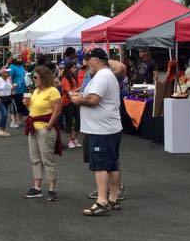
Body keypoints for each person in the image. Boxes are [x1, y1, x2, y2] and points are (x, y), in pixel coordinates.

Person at [71, 48, 123, 216]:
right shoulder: (107, 74)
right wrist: (81, 95)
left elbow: (93, 100)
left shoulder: (102, 76)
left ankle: (102, 201)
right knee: (112, 164)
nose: (86, 63)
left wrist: (78, 100)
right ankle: (113, 198)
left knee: (100, 165)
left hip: (101, 129)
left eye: (88, 59)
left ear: (96, 60)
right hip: (109, 127)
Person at [23, 66, 63, 201]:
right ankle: (37, 187)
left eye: (35, 77)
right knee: (35, 158)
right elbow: (33, 109)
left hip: (44, 128)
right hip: (33, 127)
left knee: (47, 160)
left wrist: (49, 125)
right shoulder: (35, 91)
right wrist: (27, 104)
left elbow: (57, 110)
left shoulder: (53, 91)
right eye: (32, 77)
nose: (33, 79)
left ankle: (52, 188)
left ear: (43, 77)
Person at [59, 62, 82, 148]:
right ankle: (70, 141)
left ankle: (74, 139)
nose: (75, 69)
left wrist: (77, 91)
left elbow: (72, 91)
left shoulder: (73, 78)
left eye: (75, 68)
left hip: (75, 101)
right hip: (67, 103)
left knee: (78, 121)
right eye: (73, 68)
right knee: (69, 122)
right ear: (69, 69)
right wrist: (78, 90)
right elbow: (69, 92)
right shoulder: (65, 79)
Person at [0, 67, 14, 136]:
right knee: (4, 114)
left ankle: (2, 129)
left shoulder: (8, 80)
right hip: (0, 99)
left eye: (8, 72)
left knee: (5, 115)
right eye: (7, 72)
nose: (8, 73)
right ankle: (1, 129)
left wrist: (13, 89)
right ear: (2, 73)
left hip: (7, 99)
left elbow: (11, 88)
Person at [8, 57, 28, 127]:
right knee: (16, 105)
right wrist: (11, 88)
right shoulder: (12, 67)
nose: (20, 59)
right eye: (19, 58)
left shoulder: (21, 66)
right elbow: (9, 77)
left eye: (21, 58)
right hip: (16, 89)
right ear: (15, 59)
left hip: (24, 89)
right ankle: (14, 121)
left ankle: (20, 120)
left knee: (24, 105)